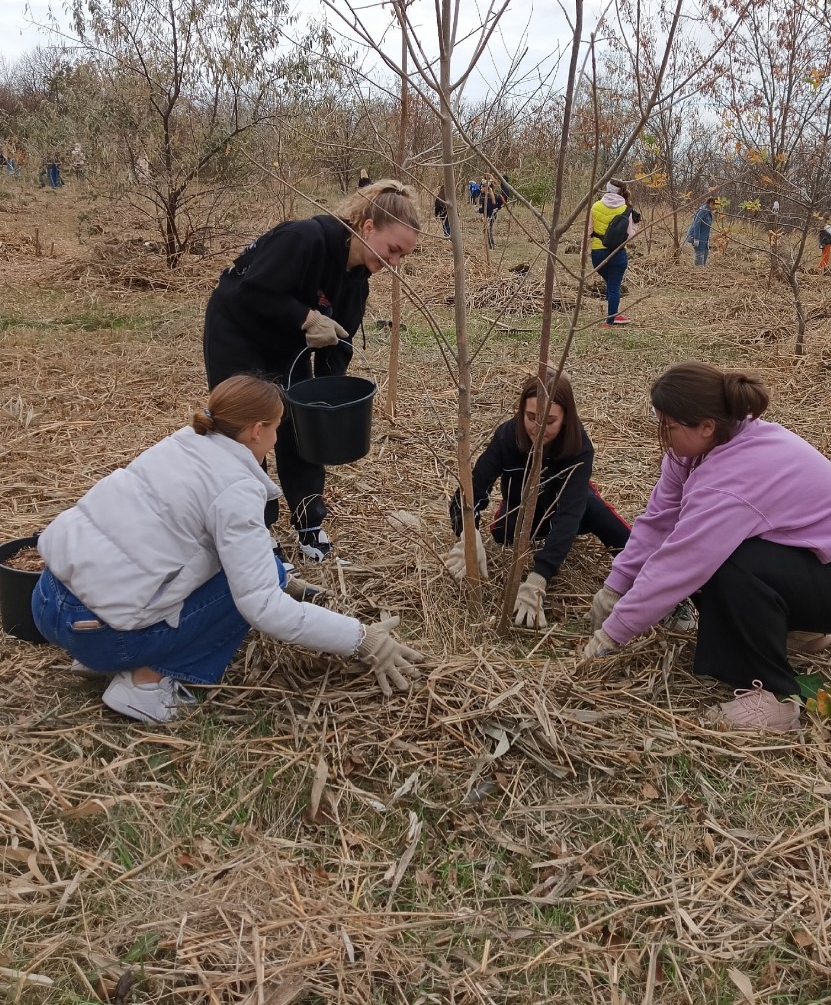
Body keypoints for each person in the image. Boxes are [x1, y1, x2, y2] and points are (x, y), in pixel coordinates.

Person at [31, 376, 422, 723]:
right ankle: (144, 685)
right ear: (256, 431)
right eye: (277, 427)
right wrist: (360, 638)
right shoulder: (235, 489)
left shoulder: (181, 446)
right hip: (102, 634)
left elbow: (224, 544)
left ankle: (102, 653)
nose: (277, 436)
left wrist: (281, 575)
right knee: (247, 596)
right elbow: (263, 607)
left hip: (48, 601)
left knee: (253, 571)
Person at [582, 362, 831, 733]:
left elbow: (683, 563)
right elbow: (659, 520)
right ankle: (800, 634)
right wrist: (615, 587)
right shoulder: (695, 450)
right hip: (813, 563)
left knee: (729, 564)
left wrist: (614, 632)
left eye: (669, 425)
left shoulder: (734, 476)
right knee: (730, 560)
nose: (661, 434)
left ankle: (777, 698)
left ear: (706, 426)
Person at [203, 180, 420, 563]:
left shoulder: (356, 286)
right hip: (238, 332)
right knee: (248, 433)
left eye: (402, 255)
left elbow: (338, 345)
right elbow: (252, 291)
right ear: (368, 227)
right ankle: (256, 529)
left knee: (298, 424)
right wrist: (305, 316)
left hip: (288, 346)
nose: (394, 263)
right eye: (392, 249)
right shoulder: (305, 238)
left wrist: (327, 400)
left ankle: (308, 521)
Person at [444, 370, 630, 629]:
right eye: (531, 417)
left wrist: (538, 577)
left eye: (550, 420)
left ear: (566, 418)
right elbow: (468, 493)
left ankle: (652, 587)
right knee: (502, 532)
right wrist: (468, 533)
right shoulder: (507, 437)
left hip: (575, 512)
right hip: (521, 513)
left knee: (606, 520)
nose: (539, 428)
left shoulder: (579, 447)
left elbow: (568, 516)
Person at [588, 179, 641, 326]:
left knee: (611, 285)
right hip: (617, 254)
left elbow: (588, 231)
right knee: (614, 286)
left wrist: (583, 250)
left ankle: (614, 313)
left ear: (607, 189)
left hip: (598, 254)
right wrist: (636, 225)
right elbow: (630, 236)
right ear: (622, 191)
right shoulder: (627, 210)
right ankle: (611, 320)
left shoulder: (595, 206)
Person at [686, 196, 716, 267]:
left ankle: (702, 271)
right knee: (700, 256)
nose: (716, 207)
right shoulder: (703, 210)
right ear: (711, 203)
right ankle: (698, 272)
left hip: (704, 238)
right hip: (698, 237)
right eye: (715, 205)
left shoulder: (709, 212)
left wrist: (707, 239)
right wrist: (696, 238)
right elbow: (696, 224)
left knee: (706, 254)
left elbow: (707, 227)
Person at [478, 179, 505, 248]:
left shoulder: (493, 196)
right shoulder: (483, 196)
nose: (481, 188)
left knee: (488, 230)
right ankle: (488, 245)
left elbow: (500, 204)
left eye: (482, 187)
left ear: (486, 187)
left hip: (491, 215)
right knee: (486, 230)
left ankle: (492, 246)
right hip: (487, 215)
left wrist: (497, 209)